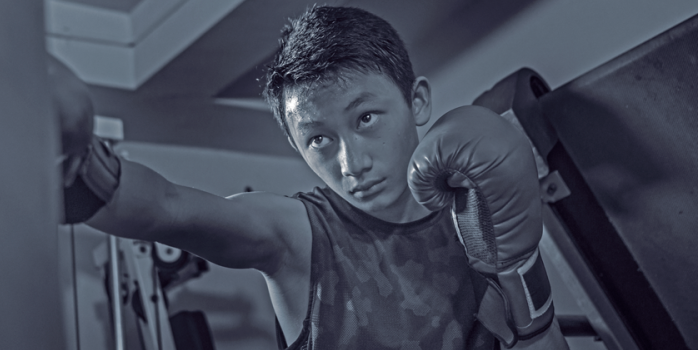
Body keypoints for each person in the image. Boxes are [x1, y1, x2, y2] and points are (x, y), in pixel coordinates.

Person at [55, 6, 569, 350]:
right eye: (319, 140)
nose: (351, 164)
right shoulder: (296, 234)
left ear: (417, 102)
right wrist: (73, 161)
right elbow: (166, 206)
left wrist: (523, 280)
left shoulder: (475, 207)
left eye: (366, 119)